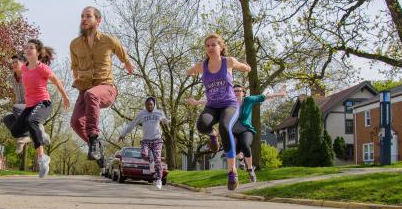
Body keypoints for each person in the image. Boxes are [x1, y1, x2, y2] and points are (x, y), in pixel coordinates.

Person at [70, 6, 135, 167]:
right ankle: (97, 148)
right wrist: (78, 82)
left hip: (107, 88)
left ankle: (93, 137)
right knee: (76, 123)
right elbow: (75, 67)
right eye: (82, 16)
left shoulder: (109, 40)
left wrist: (128, 66)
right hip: (85, 90)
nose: (84, 19)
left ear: (98, 21)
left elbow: (123, 56)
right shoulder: (75, 44)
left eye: (88, 16)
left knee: (91, 94)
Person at [185, 34, 251, 190]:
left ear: (220, 47)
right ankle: (213, 135)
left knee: (224, 126)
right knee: (201, 125)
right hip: (212, 106)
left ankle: (232, 171)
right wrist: (191, 71)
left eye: (213, 45)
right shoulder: (203, 65)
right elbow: (191, 71)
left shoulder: (228, 62)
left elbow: (243, 67)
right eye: (207, 45)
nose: (210, 48)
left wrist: (247, 67)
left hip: (229, 105)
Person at [8, 39, 71, 178]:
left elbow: (55, 81)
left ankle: (42, 158)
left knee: (31, 121)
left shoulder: (43, 68)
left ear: (37, 52)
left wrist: (65, 97)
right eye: (27, 47)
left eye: (31, 48)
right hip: (30, 106)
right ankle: (38, 134)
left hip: (43, 104)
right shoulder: (24, 68)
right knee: (15, 131)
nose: (28, 49)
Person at [231, 84, 285, 182]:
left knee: (245, 144)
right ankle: (241, 160)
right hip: (233, 132)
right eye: (234, 91)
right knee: (234, 150)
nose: (237, 92)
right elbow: (213, 103)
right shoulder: (229, 103)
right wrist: (197, 102)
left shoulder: (248, 100)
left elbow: (262, 97)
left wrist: (280, 94)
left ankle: (250, 169)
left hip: (246, 130)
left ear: (243, 93)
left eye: (239, 90)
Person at [117, 96, 170, 189]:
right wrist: (123, 134)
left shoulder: (159, 113)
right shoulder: (142, 114)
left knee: (158, 159)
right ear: (145, 105)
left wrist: (169, 120)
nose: (149, 106)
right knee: (144, 154)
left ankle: (158, 179)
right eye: (147, 105)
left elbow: (165, 120)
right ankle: (150, 161)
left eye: (151, 105)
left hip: (157, 140)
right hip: (146, 140)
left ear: (154, 105)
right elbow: (132, 124)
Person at [2, 53, 50, 153]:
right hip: (22, 107)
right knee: (7, 119)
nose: (14, 64)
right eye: (13, 63)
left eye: (16, 62)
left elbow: (42, 78)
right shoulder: (11, 78)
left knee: (16, 107)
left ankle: (38, 129)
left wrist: (56, 82)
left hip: (33, 105)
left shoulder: (29, 74)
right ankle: (26, 136)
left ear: (23, 63)